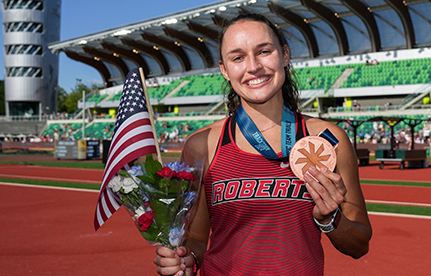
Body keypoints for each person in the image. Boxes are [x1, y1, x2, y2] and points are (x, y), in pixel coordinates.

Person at [153, 13, 372, 276]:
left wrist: (329, 219)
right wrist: (186, 259)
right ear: (224, 69)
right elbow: (197, 240)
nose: (254, 66)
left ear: (285, 55)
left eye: (264, 51)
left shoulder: (327, 140)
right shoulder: (202, 144)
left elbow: (359, 244)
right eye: (238, 57)